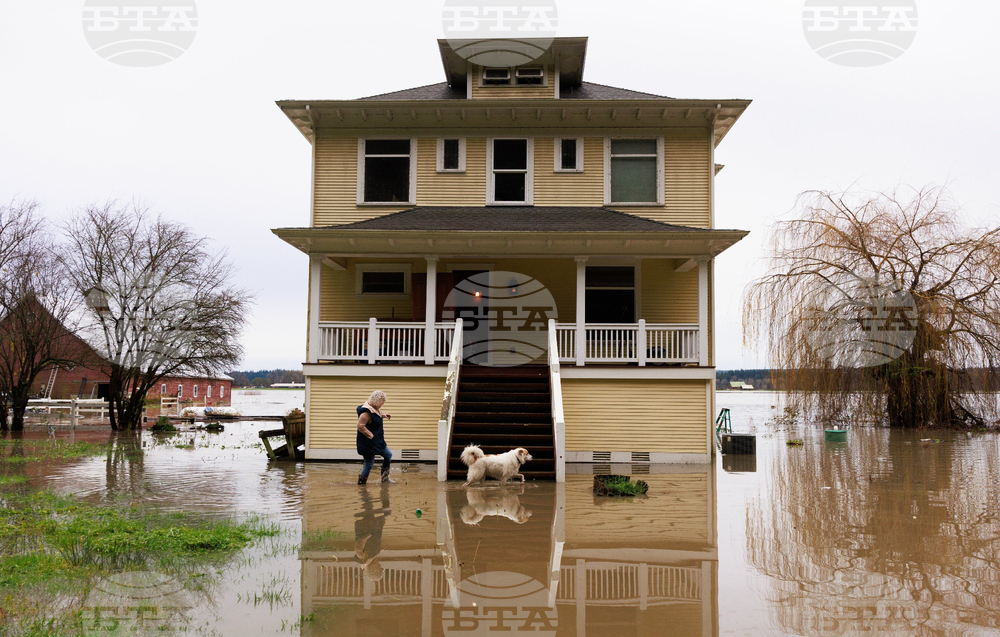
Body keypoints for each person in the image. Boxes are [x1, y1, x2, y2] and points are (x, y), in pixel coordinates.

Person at [357, 390, 395, 484]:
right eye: (382, 402)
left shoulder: (375, 408)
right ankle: (362, 484)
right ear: (377, 401)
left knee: (388, 455)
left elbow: (375, 416)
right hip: (368, 443)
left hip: (378, 441)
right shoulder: (366, 412)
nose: (383, 404)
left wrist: (383, 415)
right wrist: (370, 435)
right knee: (369, 464)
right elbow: (360, 426)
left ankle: (384, 479)